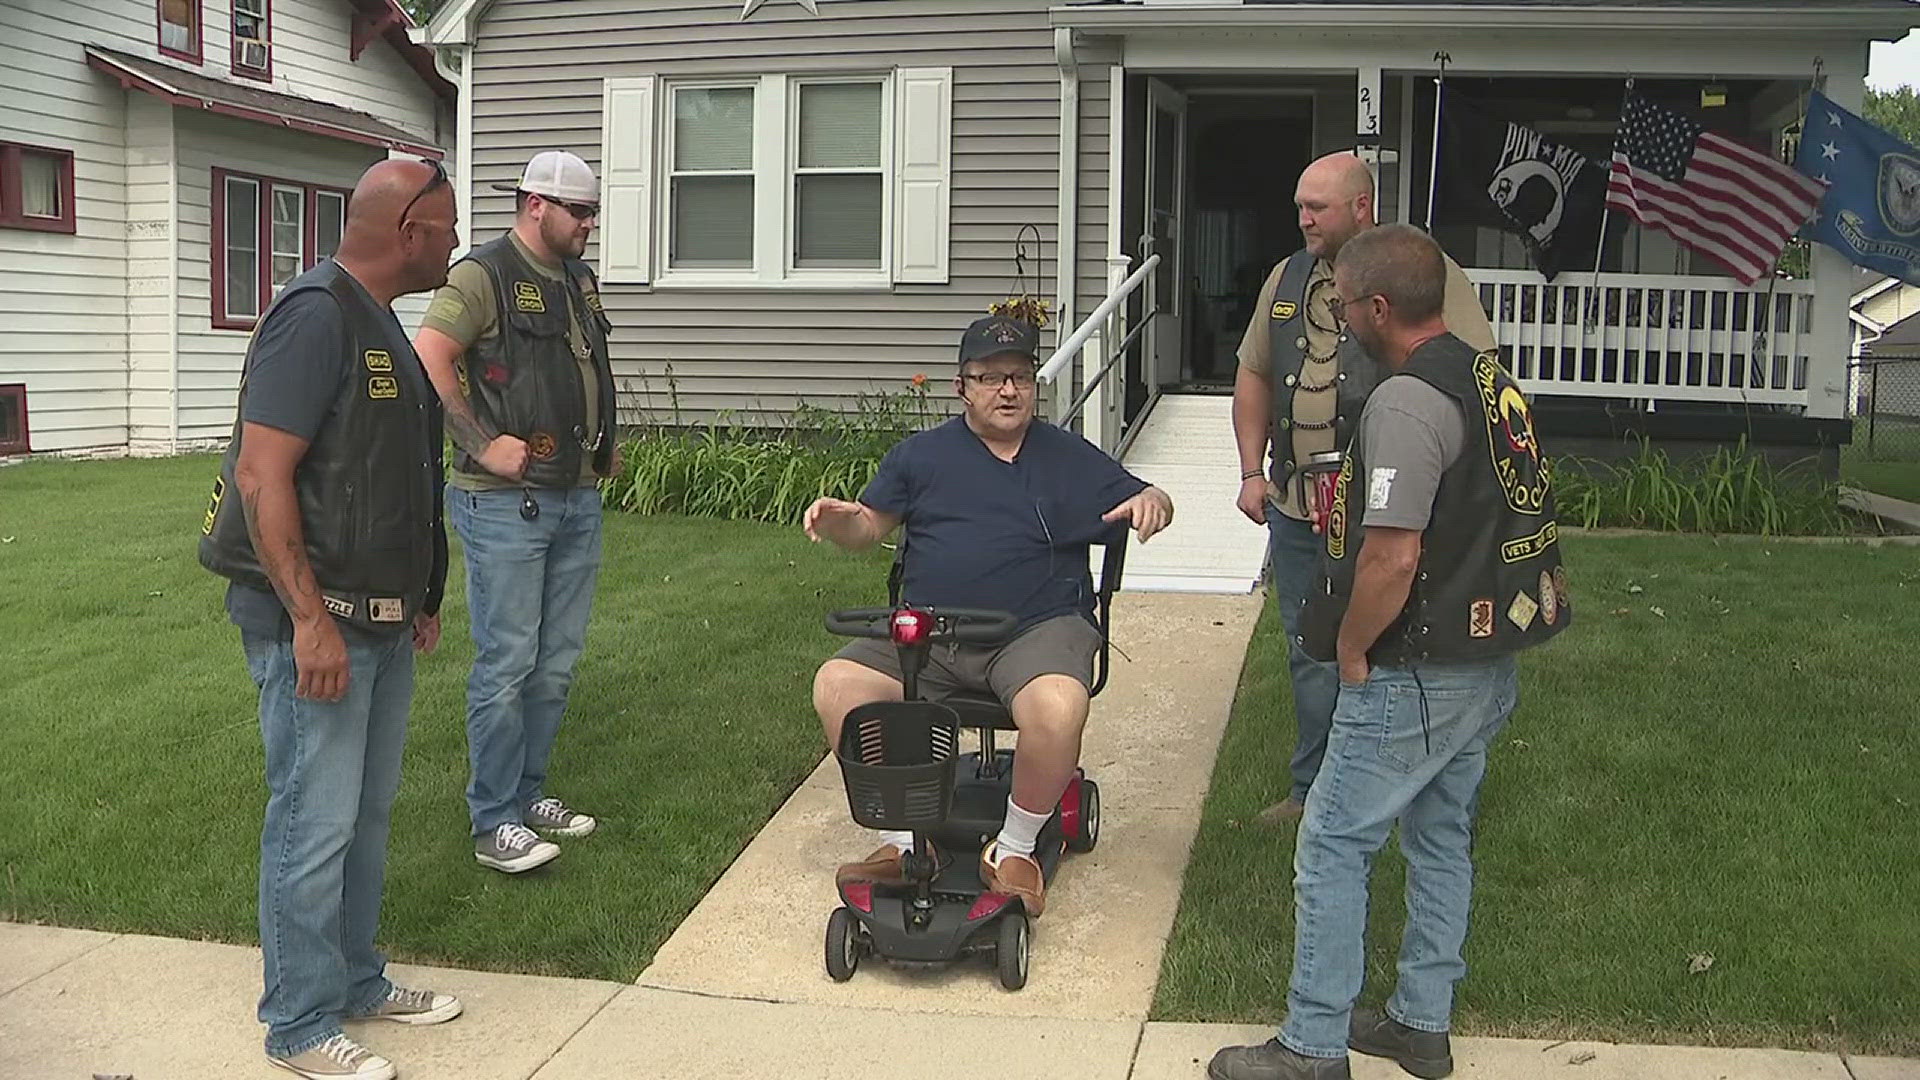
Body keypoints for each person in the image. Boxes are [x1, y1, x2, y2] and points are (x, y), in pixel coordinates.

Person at [1209, 224, 1571, 1080]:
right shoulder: (1490, 380)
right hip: (1488, 657)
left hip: (1417, 664)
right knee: (1441, 836)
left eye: (1342, 300)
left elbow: (1392, 554)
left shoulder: (1407, 402)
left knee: (1332, 841)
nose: (1336, 314)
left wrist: (1351, 646)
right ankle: (1420, 1023)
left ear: (1378, 307)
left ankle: (1312, 1045)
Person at [198, 157, 464, 1080]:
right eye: (447, 227)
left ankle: (354, 977)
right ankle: (299, 1022)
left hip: (381, 622)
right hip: (319, 626)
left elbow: (389, 475)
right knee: (313, 821)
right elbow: (263, 474)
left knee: (364, 817)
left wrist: (419, 596)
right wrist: (310, 620)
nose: (456, 243)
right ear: (406, 231)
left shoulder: (379, 319)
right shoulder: (314, 317)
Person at [803, 314, 1174, 917]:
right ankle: (900, 841)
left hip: (1036, 631)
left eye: (1021, 377)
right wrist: (842, 519)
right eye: (991, 378)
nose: (1008, 390)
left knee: (1056, 706)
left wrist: (1153, 500)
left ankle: (1016, 847)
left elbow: (1143, 494)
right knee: (838, 685)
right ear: (962, 387)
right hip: (932, 633)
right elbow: (869, 526)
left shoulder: (1068, 455)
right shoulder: (920, 456)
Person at [1231, 151, 1498, 825]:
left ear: (1360, 207)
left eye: (1315, 207)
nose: (1302, 219)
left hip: (1390, 509)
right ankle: (1314, 789)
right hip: (1298, 506)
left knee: (1399, 643)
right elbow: (1255, 373)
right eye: (1299, 206)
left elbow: (1474, 376)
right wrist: (1249, 470)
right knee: (1309, 646)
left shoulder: (1421, 274)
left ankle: (1406, 787)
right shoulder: (1286, 279)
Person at [413, 150, 618, 874]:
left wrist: (600, 446)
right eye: (580, 212)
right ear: (537, 205)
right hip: (505, 502)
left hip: (574, 494)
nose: (590, 224)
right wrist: (480, 443)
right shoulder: (483, 275)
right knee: (507, 662)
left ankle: (530, 794)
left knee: (555, 662)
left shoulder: (578, 280)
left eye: (592, 212)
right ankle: (492, 818)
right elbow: (430, 354)